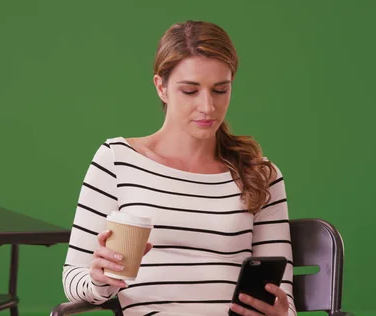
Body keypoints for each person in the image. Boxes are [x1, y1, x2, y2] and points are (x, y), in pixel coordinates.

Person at [61, 20, 295, 316]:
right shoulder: (117, 160)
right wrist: (100, 281)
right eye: (190, 91)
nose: (208, 107)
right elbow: (74, 278)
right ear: (162, 87)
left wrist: (282, 313)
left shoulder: (260, 174)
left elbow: (282, 292)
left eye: (220, 90)